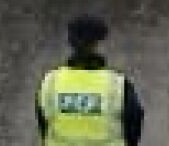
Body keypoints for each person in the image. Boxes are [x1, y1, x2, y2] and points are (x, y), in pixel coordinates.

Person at [37, 15, 145, 146]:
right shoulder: (117, 85)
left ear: (70, 42)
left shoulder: (50, 82)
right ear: (97, 44)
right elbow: (134, 125)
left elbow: (44, 126)